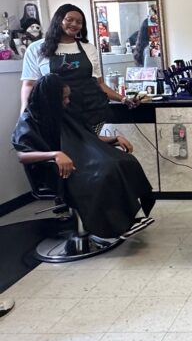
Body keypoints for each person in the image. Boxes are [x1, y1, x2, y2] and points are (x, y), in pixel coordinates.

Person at [12, 74, 155, 239]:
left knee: (124, 162)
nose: (67, 102)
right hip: (55, 169)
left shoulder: (62, 113)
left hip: (79, 159)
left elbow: (85, 135)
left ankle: (131, 218)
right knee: (104, 172)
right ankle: (117, 226)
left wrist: (114, 139)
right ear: (49, 98)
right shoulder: (29, 120)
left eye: (68, 97)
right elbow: (22, 155)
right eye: (63, 98)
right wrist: (55, 154)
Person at [20, 4, 137, 134]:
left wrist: (123, 99)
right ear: (58, 20)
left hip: (91, 112)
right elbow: (29, 85)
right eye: (69, 19)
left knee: (91, 150)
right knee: (63, 151)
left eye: (79, 22)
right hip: (56, 114)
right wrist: (24, 116)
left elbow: (99, 84)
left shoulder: (89, 48)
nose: (74, 24)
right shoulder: (36, 48)